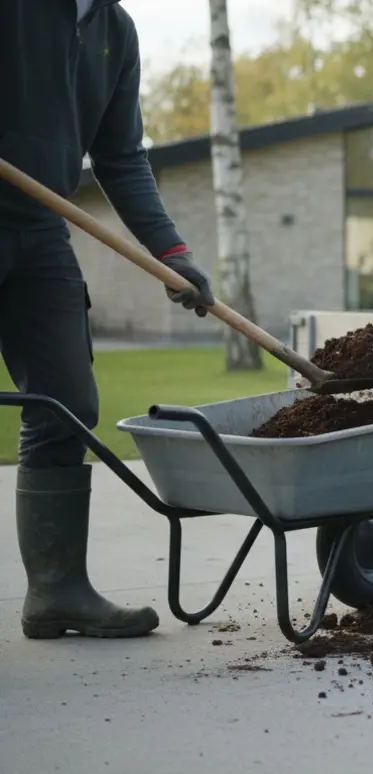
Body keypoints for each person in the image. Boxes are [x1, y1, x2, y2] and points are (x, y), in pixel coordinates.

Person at [0, 0, 215, 639]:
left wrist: (172, 254)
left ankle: (57, 592)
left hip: (40, 233)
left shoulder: (114, 32)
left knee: (65, 402)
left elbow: (120, 155)